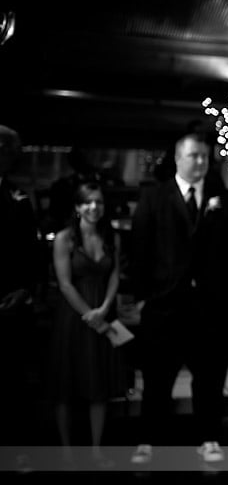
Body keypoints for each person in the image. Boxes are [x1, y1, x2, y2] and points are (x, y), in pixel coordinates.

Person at [130, 132, 228, 464]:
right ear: (179, 158)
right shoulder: (154, 197)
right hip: (164, 305)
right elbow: (139, 249)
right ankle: (149, 440)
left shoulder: (222, 198)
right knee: (157, 377)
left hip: (211, 306)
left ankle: (209, 437)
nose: (201, 162)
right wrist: (142, 298)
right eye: (194, 156)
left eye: (205, 157)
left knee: (210, 377)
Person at [50, 182, 126, 465]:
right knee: (66, 385)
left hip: (103, 310)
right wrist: (91, 317)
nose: (94, 207)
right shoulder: (64, 239)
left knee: (99, 384)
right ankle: (67, 452)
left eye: (99, 202)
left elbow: (116, 275)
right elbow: (65, 284)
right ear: (77, 207)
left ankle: (95, 449)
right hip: (73, 315)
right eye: (88, 202)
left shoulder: (112, 237)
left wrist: (104, 309)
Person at [0, 125, 39, 464]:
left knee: (12, 386)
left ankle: (13, 454)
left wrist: (25, 289)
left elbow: (31, 254)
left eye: (7, 149)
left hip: (10, 306)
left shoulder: (19, 198)